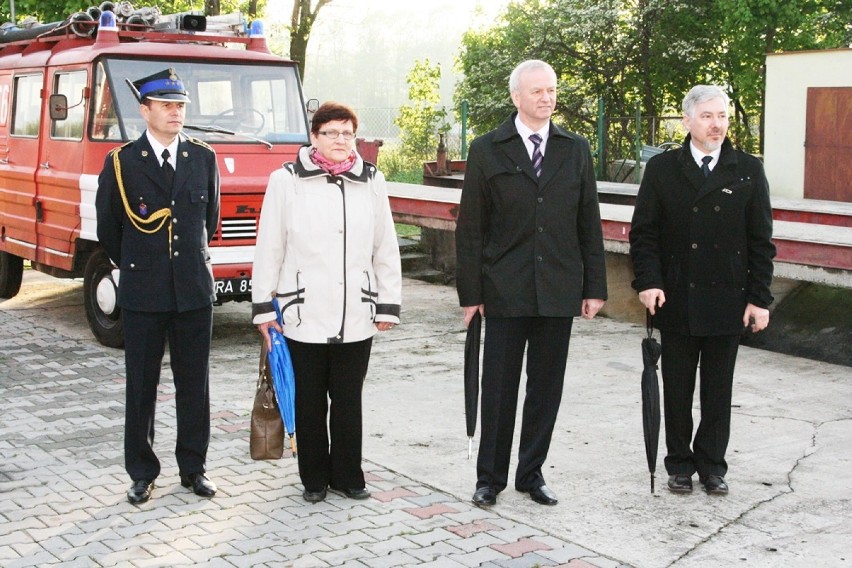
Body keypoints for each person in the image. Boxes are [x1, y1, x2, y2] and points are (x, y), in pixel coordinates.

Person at [455, 60, 608, 507]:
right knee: (499, 389)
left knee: (546, 388)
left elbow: (588, 223)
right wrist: (472, 294)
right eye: (537, 90)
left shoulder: (574, 149)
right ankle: (490, 479)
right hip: (505, 289)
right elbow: (471, 229)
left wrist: (593, 286)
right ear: (516, 97)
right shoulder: (488, 149)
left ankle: (531, 473)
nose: (547, 97)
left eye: (552, 90)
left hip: (559, 289)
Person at [251, 101, 402, 503]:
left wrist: (388, 302)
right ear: (314, 137)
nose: (341, 140)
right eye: (331, 132)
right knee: (310, 400)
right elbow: (270, 245)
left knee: (349, 400)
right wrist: (264, 306)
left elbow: (385, 245)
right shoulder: (286, 180)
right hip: (302, 312)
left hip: (357, 312)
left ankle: (348, 476)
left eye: (347, 133)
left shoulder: (371, 179)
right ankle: (314, 479)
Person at [629, 85, 775, 495]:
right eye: (708, 116)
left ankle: (712, 465)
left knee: (717, 388)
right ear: (688, 119)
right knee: (676, 385)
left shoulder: (747, 169)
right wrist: (649, 281)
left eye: (723, 116)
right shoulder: (662, 170)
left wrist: (759, 299)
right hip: (676, 295)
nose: (717, 124)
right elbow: (644, 235)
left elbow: (762, 242)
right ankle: (678, 463)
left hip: (727, 297)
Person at [96, 68, 221, 505]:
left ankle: (194, 468)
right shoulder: (122, 162)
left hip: (192, 290)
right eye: (167, 105)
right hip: (144, 292)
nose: (176, 112)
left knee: (194, 383)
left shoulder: (202, 158)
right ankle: (142, 472)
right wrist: (140, 267)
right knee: (141, 384)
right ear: (144, 110)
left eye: (181, 105)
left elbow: (210, 223)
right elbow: (109, 229)